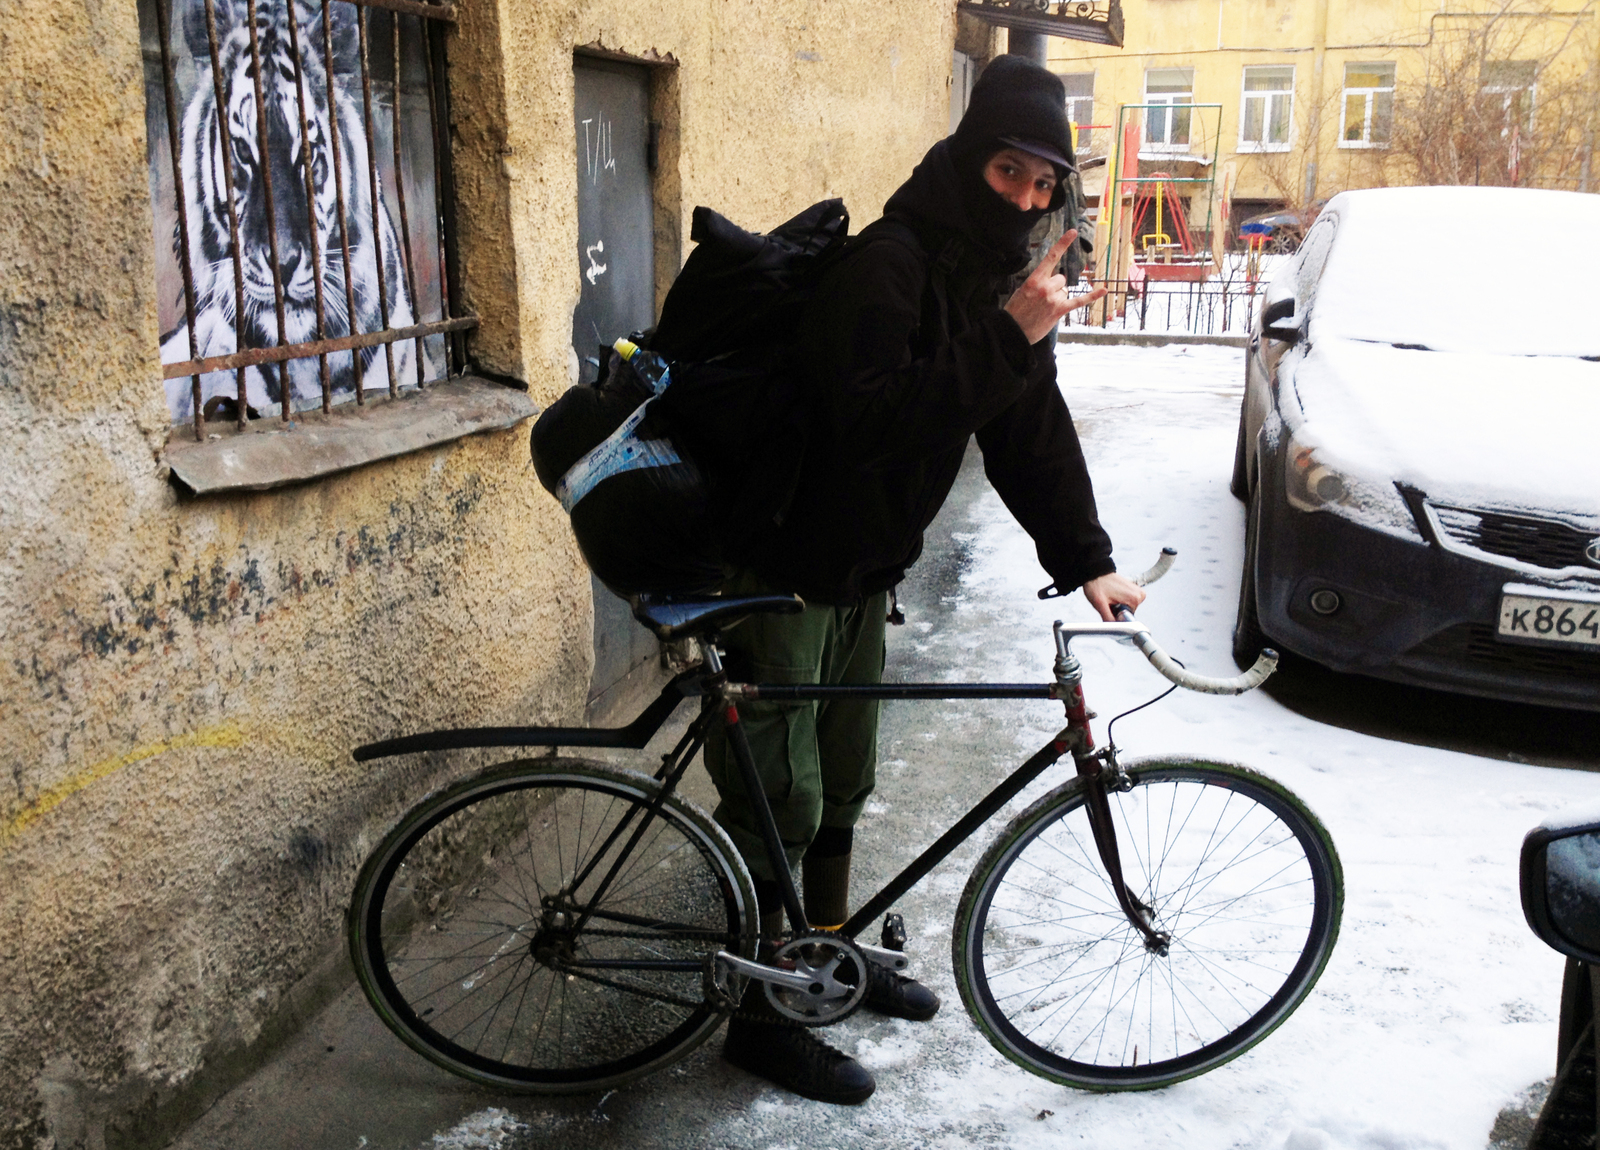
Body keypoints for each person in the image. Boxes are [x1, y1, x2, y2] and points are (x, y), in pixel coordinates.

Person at [705, 55, 1147, 1105]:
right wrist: (1006, 336)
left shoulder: (988, 288)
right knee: (784, 793)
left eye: (1045, 184)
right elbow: (865, 422)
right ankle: (757, 1019)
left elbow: (1025, 428)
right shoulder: (888, 265)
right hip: (781, 565)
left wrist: (1087, 558)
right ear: (964, 163)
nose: (1027, 200)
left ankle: (822, 961)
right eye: (1009, 173)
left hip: (858, 570)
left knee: (844, 777)